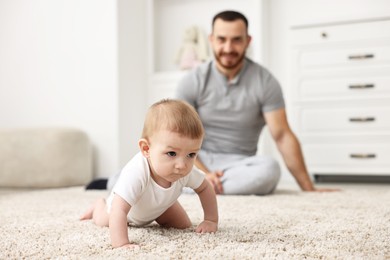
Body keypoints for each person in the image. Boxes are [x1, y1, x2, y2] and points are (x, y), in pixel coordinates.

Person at [86, 10, 337, 195]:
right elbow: (175, 132)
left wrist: (308, 188)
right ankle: (121, 181)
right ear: (211, 39)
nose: (228, 47)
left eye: (236, 40)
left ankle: (190, 185)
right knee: (155, 158)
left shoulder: (265, 81)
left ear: (247, 41)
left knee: (269, 169)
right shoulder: (193, 80)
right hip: (193, 156)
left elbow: (282, 135)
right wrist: (203, 170)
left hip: (237, 163)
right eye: (222, 39)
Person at [81, 99, 218, 248]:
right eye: (171, 153)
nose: (182, 165)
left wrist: (210, 220)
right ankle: (97, 206)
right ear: (146, 149)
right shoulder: (136, 172)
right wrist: (121, 244)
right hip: (128, 212)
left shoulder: (186, 169)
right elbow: (119, 209)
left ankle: (160, 211)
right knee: (103, 220)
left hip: (162, 206)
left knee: (183, 226)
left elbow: (205, 188)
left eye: (191, 154)